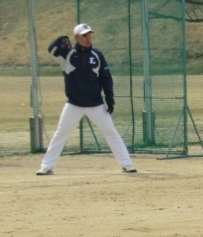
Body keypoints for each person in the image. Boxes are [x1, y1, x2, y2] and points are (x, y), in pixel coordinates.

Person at [36, 23, 136, 175]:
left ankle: (127, 164)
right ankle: (46, 166)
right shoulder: (67, 55)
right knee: (61, 134)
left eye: (90, 35)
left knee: (111, 133)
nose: (88, 38)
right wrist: (60, 40)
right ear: (76, 37)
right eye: (84, 35)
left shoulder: (97, 55)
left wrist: (109, 98)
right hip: (74, 104)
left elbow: (106, 78)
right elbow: (51, 49)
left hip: (95, 103)